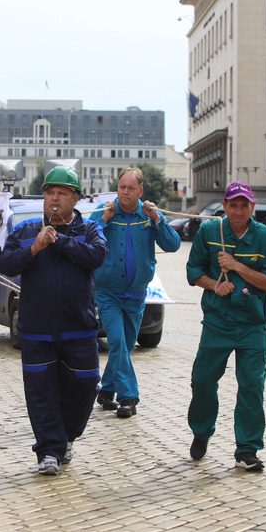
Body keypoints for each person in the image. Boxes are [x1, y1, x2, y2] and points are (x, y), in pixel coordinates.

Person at [0, 166, 108, 475]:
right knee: (40, 393)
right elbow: (5, 264)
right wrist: (35, 247)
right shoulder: (25, 231)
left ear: (75, 199)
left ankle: (67, 436)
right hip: (36, 331)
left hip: (79, 328)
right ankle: (48, 451)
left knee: (86, 387)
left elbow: (96, 257)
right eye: (49, 192)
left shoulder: (90, 230)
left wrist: (58, 242)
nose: (54, 198)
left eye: (61, 193)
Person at [185, 181, 266, 471]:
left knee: (252, 386)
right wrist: (214, 287)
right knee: (202, 380)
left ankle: (247, 449)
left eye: (244, 205)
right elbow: (194, 272)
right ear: (225, 206)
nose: (238, 211)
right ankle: (202, 431)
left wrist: (237, 266)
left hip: (253, 325)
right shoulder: (210, 233)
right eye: (233, 205)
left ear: (252, 207)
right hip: (218, 322)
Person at [90, 167, 180, 418]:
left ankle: (107, 389)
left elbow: (172, 245)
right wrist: (103, 220)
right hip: (108, 292)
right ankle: (129, 397)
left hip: (138, 292)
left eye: (131, 188)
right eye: (121, 187)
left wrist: (157, 219)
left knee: (126, 345)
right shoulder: (105, 212)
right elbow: (84, 239)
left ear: (140, 191)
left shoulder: (148, 214)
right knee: (117, 341)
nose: (125, 193)